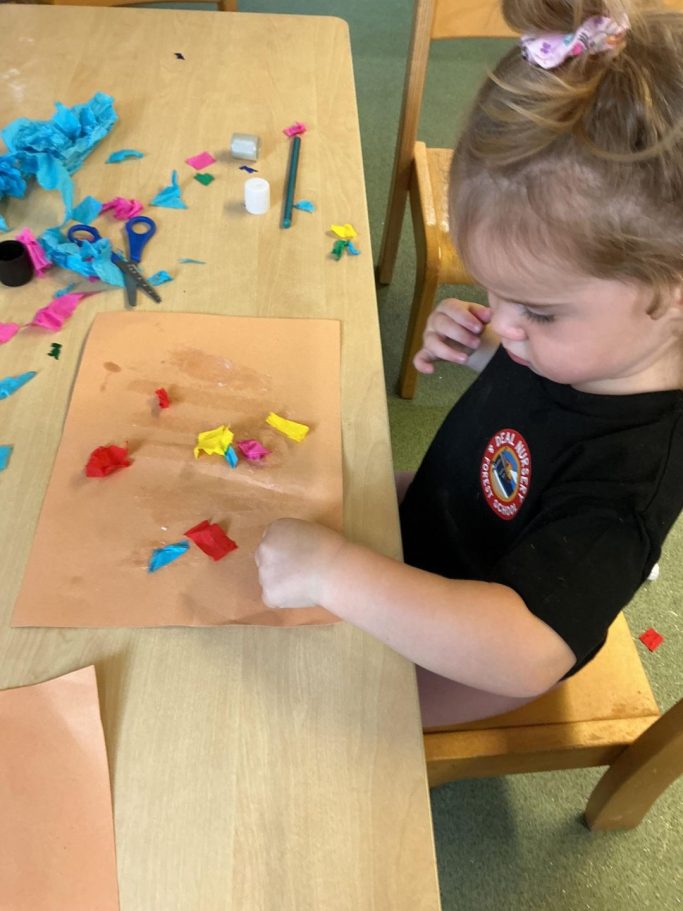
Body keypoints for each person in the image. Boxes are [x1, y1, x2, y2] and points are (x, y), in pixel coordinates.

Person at [256, 0, 683, 727]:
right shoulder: (583, 344)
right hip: (441, 523)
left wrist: (337, 574)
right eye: (492, 290)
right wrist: (481, 349)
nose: (504, 320)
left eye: (537, 310)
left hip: (482, 639)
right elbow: (537, 410)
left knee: (312, 719)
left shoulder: (629, 479)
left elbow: (526, 652)